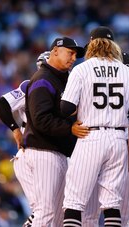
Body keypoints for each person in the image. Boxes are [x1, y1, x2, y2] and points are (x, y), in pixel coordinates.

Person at [61, 26, 129, 227]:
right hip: (118, 139)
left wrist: (82, 107)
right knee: (112, 202)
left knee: (74, 200)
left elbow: (66, 108)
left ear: (91, 45)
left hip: (90, 136)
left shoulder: (81, 69)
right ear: (113, 46)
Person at [20, 37, 87, 226]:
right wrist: (70, 128)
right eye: (70, 52)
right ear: (55, 51)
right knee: (46, 211)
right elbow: (41, 119)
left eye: (76, 55)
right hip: (43, 152)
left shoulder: (61, 79)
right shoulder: (43, 79)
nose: (74, 58)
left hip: (56, 152)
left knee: (58, 215)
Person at [0, 51, 50, 226]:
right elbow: (1, 104)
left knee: (50, 210)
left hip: (51, 152)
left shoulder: (66, 87)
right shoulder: (29, 86)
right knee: (45, 210)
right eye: (42, 66)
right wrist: (15, 129)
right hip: (33, 151)